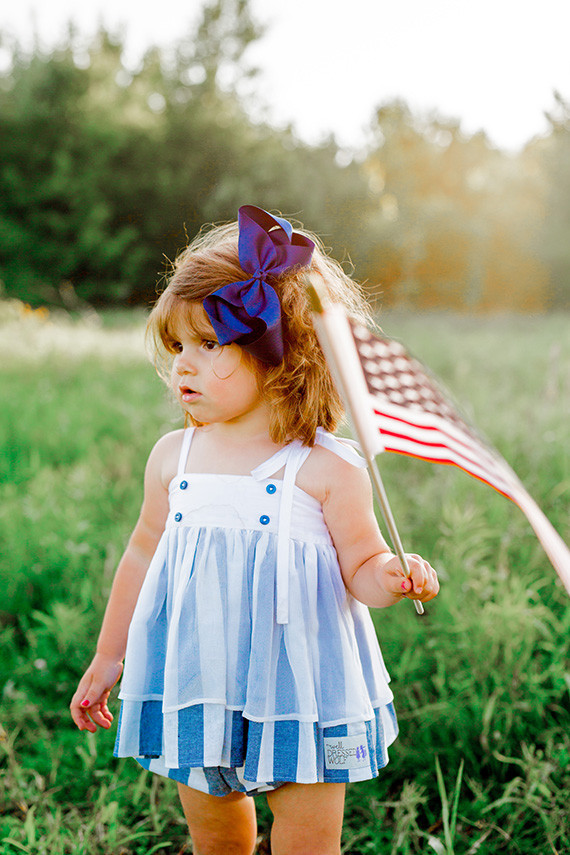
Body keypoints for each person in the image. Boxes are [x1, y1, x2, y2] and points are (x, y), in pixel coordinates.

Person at [70, 205, 439, 855]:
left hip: (304, 687)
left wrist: (391, 574)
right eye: (177, 345)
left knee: (306, 835)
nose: (182, 365)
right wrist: (109, 656)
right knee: (215, 828)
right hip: (198, 678)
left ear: (282, 352)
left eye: (209, 344)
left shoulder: (325, 467)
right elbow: (140, 552)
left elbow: (362, 562)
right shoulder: (172, 457)